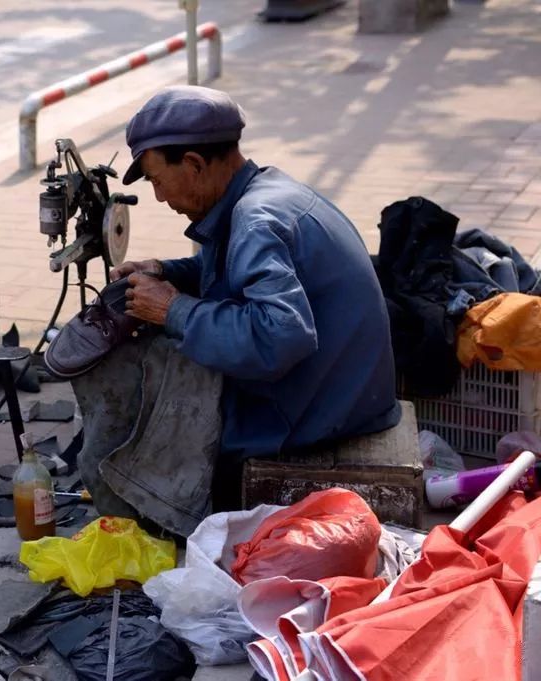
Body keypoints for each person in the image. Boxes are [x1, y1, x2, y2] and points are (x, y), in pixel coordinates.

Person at [71, 85, 401, 529]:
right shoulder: (269, 190)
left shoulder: (255, 221)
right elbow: (234, 270)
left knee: (150, 374)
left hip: (320, 412)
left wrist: (172, 310)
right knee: (173, 347)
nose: (160, 198)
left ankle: (154, 521)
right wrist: (167, 270)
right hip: (348, 391)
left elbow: (278, 336)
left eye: (156, 181)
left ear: (194, 164)